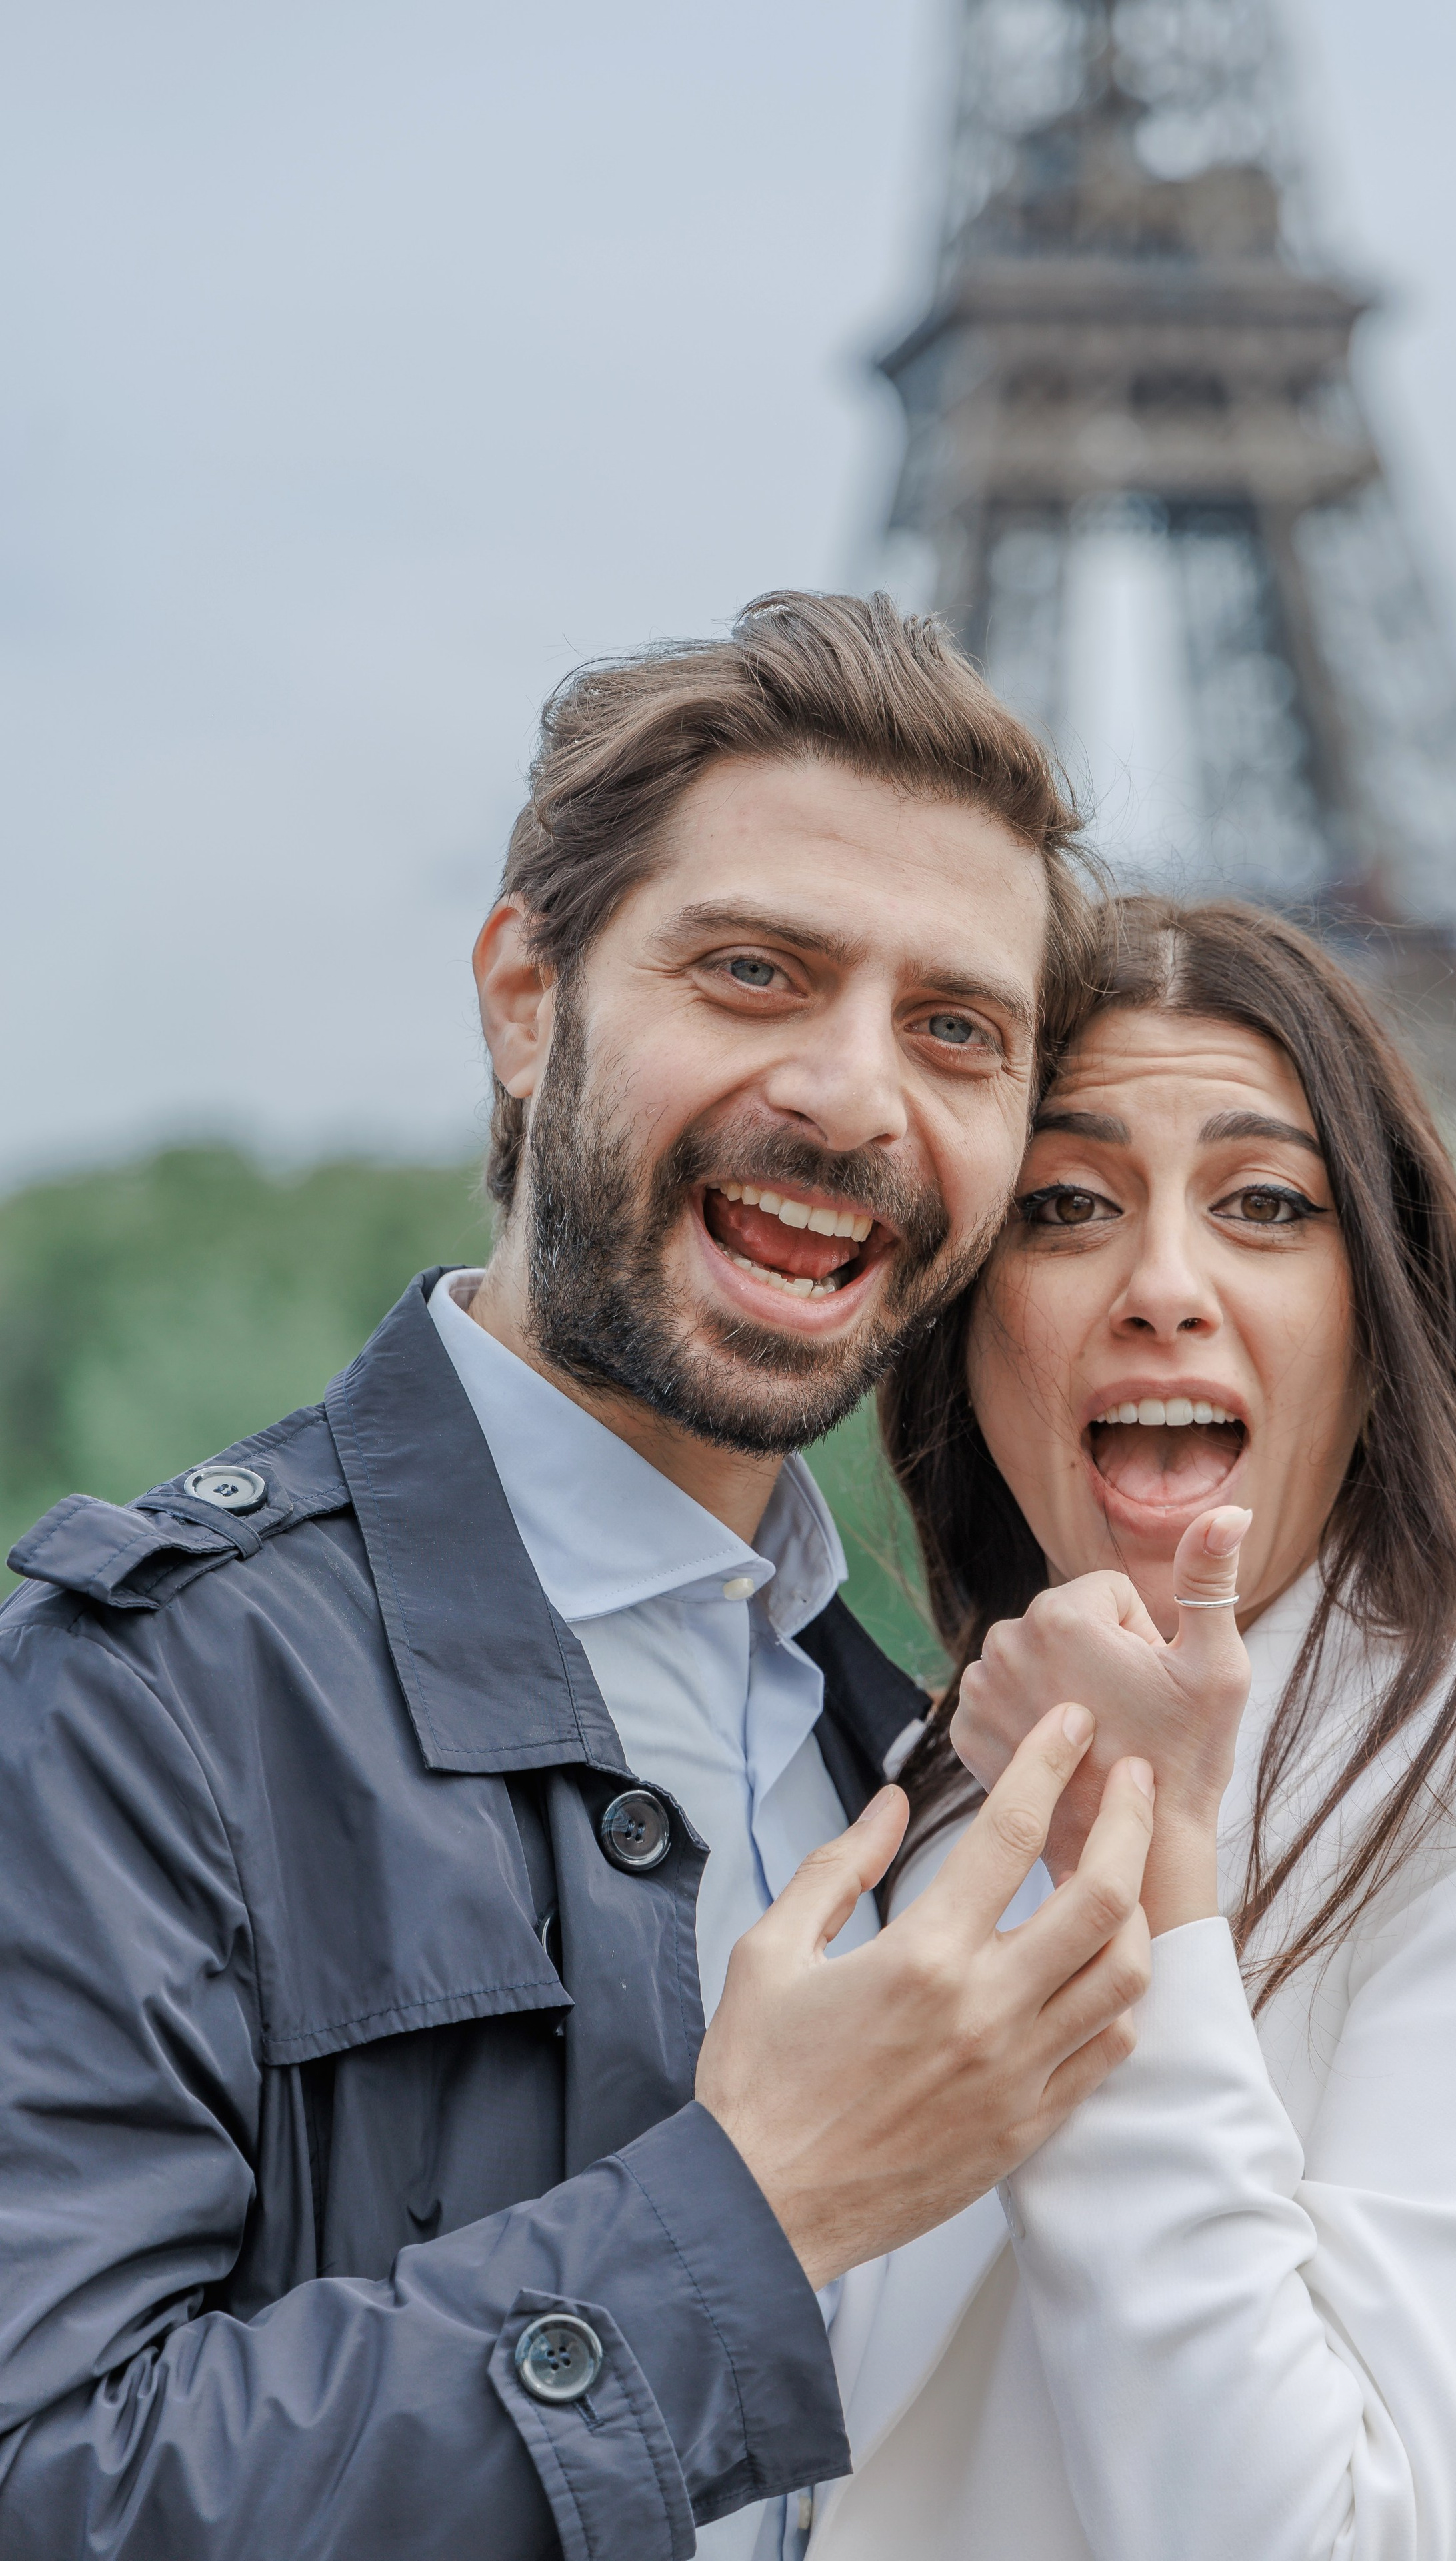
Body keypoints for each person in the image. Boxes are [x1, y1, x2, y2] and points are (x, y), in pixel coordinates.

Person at [0, 593, 1156, 2560]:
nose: (859, 1096)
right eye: (755, 969)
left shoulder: (928, 1770)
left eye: (957, 1030)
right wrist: (758, 2207)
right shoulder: (133, 1703)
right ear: (528, 1000)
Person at [809, 894, 1456, 2561]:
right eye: (1066, 1205)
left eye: (1265, 1205)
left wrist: (1134, 1860)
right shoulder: (906, 1802)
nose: (1162, 1284)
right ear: (966, 1330)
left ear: (1375, 1330)